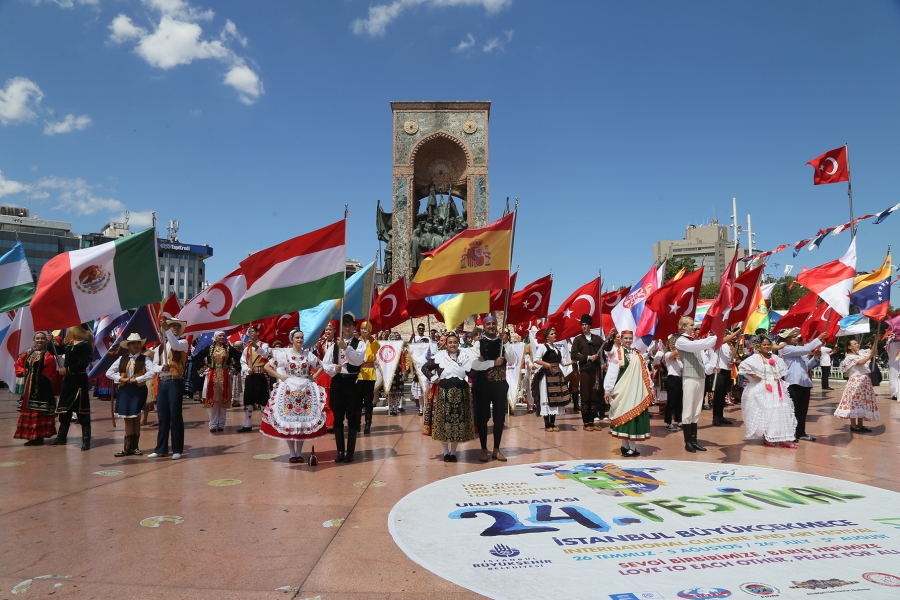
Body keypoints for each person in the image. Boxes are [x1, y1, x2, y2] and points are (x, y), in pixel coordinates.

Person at [261, 329, 328, 463]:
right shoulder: (285, 355)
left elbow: (322, 366)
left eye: (301, 338)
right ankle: (292, 453)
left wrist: (313, 377)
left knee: (302, 422)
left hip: (305, 390)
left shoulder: (308, 355)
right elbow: (267, 366)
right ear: (291, 340)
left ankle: (299, 452)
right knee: (290, 421)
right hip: (289, 389)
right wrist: (281, 377)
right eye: (297, 337)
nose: (299, 340)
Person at [421, 331, 475, 462]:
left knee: (457, 423)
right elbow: (425, 368)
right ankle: (445, 453)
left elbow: (472, 373)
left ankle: (453, 452)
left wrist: (478, 363)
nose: (453, 345)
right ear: (446, 344)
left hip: (461, 392)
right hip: (445, 392)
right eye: (450, 342)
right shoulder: (440, 356)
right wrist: (434, 378)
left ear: (458, 343)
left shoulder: (464, 356)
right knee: (444, 422)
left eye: (455, 342)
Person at [470, 315, 517, 462]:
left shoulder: (502, 342)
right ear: (484, 327)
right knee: (483, 418)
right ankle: (484, 449)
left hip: (499, 385)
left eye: (493, 323)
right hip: (484, 385)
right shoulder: (479, 344)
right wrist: (493, 362)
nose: (491, 326)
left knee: (499, 418)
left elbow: (512, 359)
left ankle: (496, 449)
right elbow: (474, 364)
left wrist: (506, 342)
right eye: (488, 324)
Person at [738, 335, 797, 448]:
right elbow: (743, 367)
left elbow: (781, 371)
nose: (766, 346)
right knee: (767, 412)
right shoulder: (755, 358)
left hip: (776, 388)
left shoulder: (775, 358)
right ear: (759, 346)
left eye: (768, 344)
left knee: (781, 411)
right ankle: (767, 436)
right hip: (763, 388)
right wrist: (755, 376)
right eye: (764, 344)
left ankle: (783, 438)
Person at [322, 313, 365, 463]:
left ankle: (350, 452)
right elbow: (325, 364)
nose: (347, 328)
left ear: (354, 327)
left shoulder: (359, 344)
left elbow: (358, 360)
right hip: (338, 382)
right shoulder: (334, 346)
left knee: (353, 418)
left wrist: (346, 348)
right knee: (338, 417)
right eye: (345, 325)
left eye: (350, 325)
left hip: (352, 382)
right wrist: (334, 368)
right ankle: (340, 451)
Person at [106, 333, 158, 457]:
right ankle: (127, 447)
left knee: (136, 418)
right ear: (128, 345)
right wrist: (120, 378)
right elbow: (109, 372)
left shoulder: (145, 359)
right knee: (127, 419)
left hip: (138, 390)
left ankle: (135, 447)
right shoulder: (121, 359)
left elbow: (152, 373)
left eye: (138, 343)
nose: (136, 345)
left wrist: (139, 379)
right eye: (133, 343)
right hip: (125, 391)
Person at [604, 330, 652, 456]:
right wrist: (607, 389)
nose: (628, 341)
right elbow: (612, 373)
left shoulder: (637, 354)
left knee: (633, 417)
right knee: (624, 417)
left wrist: (650, 387)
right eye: (625, 338)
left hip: (635, 391)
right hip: (623, 390)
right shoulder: (617, 354)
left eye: (630, 338)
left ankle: (631, 447)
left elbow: (645, 372)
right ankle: (626, 446)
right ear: (621, 339)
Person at [148, 318, 189, 460]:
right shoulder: (160, 348)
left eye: (178, 326)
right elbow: (154, 366)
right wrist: (161, 368)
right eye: (173, 326)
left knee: (175, 415)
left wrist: (167, 330)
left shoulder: (183, 342)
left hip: (175, 381)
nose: (175, 328)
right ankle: (161, 448)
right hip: (163, 381)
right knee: (162, 416)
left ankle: (177, 448)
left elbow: (175, 345)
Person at [674, 316, 717, 453]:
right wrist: (715, 337)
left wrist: (711, 368)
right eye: (691, 325)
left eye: (693, 325)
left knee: (697, 409)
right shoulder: (681, 341)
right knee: (688, 409)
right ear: (683, 327)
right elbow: (698, 346)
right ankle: (688, 442)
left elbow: (704, 360)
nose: (694, 327)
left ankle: (694, 439)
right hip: (690, 377)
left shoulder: (696, 341)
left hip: (700, 377)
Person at [778, 328, 826, 443]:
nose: (796, 338)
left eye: (796, 336)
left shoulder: (799, 350)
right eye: (794, 336)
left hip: (804, 382)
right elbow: (806, 349)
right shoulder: (786, 349)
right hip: (793, 382)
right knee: (792, 410)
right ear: (787, 338)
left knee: (802, 410)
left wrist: (815, 358)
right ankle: (790, 433)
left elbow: (807, 366)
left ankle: (801, 432)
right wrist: (818, 339)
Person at [51, 324, 94, 450]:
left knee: (82, 412)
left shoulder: (85, 345)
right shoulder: (70, 345)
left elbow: (84, 362)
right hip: (68, 382)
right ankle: (61, 438)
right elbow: (56, 350)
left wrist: (68, 370)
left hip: (79, 380)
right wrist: (49, 342)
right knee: (65, 411)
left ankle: (86, 441)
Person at [14, 332, 60, 446]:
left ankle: (38, 436)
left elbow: (50, 371)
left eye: (42, 339)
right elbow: (18, 364)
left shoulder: (48, 355)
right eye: (38, 338)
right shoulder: (28, 353)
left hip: (41, 387)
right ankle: (31, 436)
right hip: (29, 386)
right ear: (34, 340)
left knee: (38, 410)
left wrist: (39, 377)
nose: (40, 340)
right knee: (29, 410)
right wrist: (23, 372)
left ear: (46, 341)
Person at [834, 339, 880, 432]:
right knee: (854, 402)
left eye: (857, 343)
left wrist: (876, 340)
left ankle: (860, 424)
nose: (858, 344)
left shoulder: (861, 353)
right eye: (855, 343)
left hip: (865, 381)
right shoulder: (849, 357)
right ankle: (853, 425)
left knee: (862, 402)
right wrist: (871, 355)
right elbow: (860, 363)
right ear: (849, 347)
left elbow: (872, 350)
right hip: (856, 382)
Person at [570, 314, 605, 431]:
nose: (584, 326)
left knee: (594, 395)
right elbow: (574, 354)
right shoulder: (578, 339)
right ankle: (586, 422)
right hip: (585, 370)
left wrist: (610, 337)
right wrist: (588, 357)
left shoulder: (597, 338)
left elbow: (606, 347)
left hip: (595, 370)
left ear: (590, 325)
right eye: (582, 325)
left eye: (586, 324)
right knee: (585, 395)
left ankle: (592, 420)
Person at [533, 326, 571, 432]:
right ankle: (547, 425)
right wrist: (547, 364)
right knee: (547, 397)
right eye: (551, 334)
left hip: (557, 376)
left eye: (554, 333)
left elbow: (563, 363)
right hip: (547, 376)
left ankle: (553, 423)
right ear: (546, 337)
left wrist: (575, 360)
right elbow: (536, 359)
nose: (554, 335)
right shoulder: (543, 347)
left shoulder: (557, 350)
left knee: (556, 398)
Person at [201, 331, 241, 432]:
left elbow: (239, 357)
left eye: (223, 336)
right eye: (220, 336)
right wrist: (202, 369)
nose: (222, 337)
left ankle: (221, 423)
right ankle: (213, 423)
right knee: (212, 399)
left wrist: (233, 370)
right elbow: (197, 357)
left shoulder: (229, 348)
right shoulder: (209, 348)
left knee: (223, 399)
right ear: (215, 337)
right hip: (211, 375)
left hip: (224, 375)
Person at [239, 326, 270, 433]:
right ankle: (248, 424)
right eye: (249, 332)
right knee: (248, 399)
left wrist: (256, 347)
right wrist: (248, 370)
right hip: (251, 375)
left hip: (261, 375)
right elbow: (242, 362)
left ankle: (264, 423)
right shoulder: (246, 348)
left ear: (257, 332)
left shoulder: (264, 345)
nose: (251, 333)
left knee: (263, 399)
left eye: (253, 331)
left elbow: (265, 354)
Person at [708, 328, 741, 426]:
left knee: (723, 395)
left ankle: (721, 415)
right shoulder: (713, 340)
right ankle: (715, 417)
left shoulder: (726, 345)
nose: (726, 334)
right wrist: (735, 333)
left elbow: (729, 356)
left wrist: (732, 361)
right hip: (717, 370)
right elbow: (722, 340)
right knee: (717, 395)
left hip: (726, 370)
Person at [357, 321, 380, 435]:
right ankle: (356, 423)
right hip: (358, 373)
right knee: (357, 400)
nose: (363, 330)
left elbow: (377, 347)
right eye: (362, 328)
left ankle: (367, 424)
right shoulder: (356, 341)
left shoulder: (373, 341)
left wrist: (369, 337)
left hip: (369, 374)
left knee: (368, 401)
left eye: (366, 328)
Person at [313, 323, 336, 432]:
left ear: (334, 330)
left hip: (333, 372)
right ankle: (324, 423)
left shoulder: (337, 343)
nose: (327, 332)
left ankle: (332, 422)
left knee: (333, 398)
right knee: (323, 397)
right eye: (326, 330)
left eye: (330, 330)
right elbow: (319, 358)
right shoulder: (321, 343)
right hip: (323, 373)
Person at [662, 335, 683, 432]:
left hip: (680, 378)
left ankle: (679, 420)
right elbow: (673, 354)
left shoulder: (680, 357)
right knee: (671, 402)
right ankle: (668, 422)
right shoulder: (667, 354)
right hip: (672, 379)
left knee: (680, 401)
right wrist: (683, 346)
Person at [884, 334, 898, 400]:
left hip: (893, 362)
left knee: (894, 376)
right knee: (894, 376)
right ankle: (895, 393)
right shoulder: (891, 338)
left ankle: (895, 393)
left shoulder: (890, 340)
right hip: (894, 362)